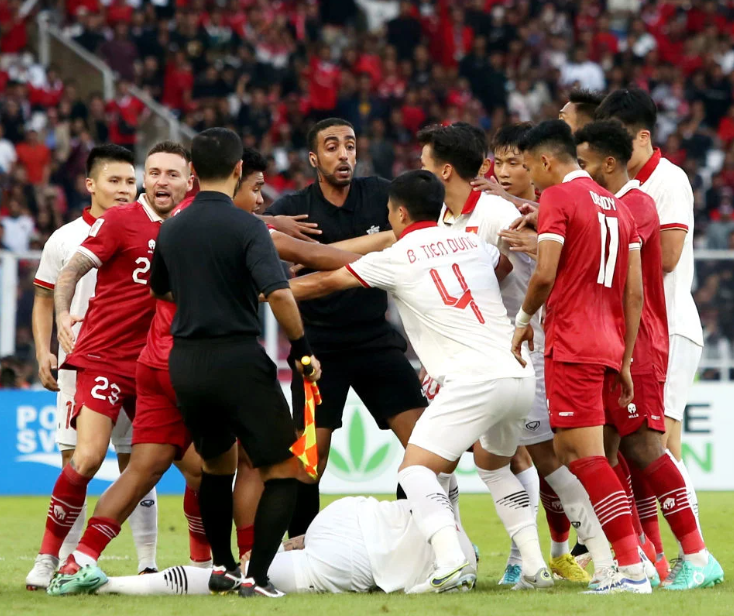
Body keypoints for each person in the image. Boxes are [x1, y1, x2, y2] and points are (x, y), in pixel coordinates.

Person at [288, 170, 550, 593]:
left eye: (390, 212)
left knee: (415, 471)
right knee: (496, 467)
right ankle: (535, 565)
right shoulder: (474, 243)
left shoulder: (397, 254)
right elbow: (501, 265)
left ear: (400, 212)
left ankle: (449, 561)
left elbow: (323, 281)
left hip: (472, 379)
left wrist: (268, 290)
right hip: (516, 372)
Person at [427, 122, 610, 586]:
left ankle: (606, 553)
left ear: (537, 163)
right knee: (499, 460)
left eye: (516, 162)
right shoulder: (455, 216)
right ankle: (522, 558)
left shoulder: (511, 211)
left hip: (535, 346)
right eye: (500, 162)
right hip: (492, 353)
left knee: (548, 457)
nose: (507, 171)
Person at [148, 127, 321, 599]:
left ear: (192, 174)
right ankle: (257, 576)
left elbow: (159, 289)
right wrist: (302, 349)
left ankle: (222, 567)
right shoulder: (249, 227)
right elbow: (279, 294)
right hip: (237, 359)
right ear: (239, 169)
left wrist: (200, 297)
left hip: (187, 362)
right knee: (285, 470)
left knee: (216, 466)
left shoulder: (171, 227)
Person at [575, 120, 723, 590]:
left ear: (609, 162)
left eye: (585, 165)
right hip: (615, 341)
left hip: (639, 344)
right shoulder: (619, 204)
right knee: (612, 450)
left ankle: (698, 556)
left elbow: (628, 283)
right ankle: (639, 557)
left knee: (646, 450)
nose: (580, 174)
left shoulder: (637, 205)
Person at [264, 118, 427, 538]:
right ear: (315, 158)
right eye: (333, 146)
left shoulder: (381, 194)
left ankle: (409, 536)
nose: (344, 154)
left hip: (376, 338)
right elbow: (247, 228)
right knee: (309, 460)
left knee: (426, 448)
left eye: (350, 145)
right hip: (318, 347)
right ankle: (300, 546)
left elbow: (403, 236)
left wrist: (317, 254)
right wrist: (278, 228)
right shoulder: (293, 209)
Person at [510, 120, 649, 594]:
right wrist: (626, 359)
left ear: (546, 161)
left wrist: (522, 319)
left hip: (571, 343)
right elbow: (635, 293)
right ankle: (628, 565)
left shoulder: (558, 199)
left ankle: (631, 569)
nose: (529, 176)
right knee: (582, 455)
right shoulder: (618, 205)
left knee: (581, 457)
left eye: (528, 166)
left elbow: (545, 273)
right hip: (609, 344)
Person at [26, 144, 172, 590]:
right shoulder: (66, 237)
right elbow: (45, 297)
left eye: (131, 181)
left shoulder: (165, 226)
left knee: (140, 465)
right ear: (92, 185)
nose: (125, 189)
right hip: (89, 358)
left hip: (147, 361)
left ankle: (147, 561)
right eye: (115, 181)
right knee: (79, 458)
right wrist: (45, 349)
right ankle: (56, 558)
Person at [595, 88, 706, 579]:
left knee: (664, 446)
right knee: (640, 451)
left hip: (671, 326)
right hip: (638, 331)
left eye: (621, 142)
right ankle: (664, 558)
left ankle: (695, 560)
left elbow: (671, 252)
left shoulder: (668, 180)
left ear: (644, 136)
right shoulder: (624, 187)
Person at [85, 495, 477, 596]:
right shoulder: (463, 564)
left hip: (343, 516)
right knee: (235, 582)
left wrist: (296, 542)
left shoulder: (437, 509)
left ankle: (106, 581)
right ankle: (110, 584)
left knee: (242, 569)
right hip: (354, 560)